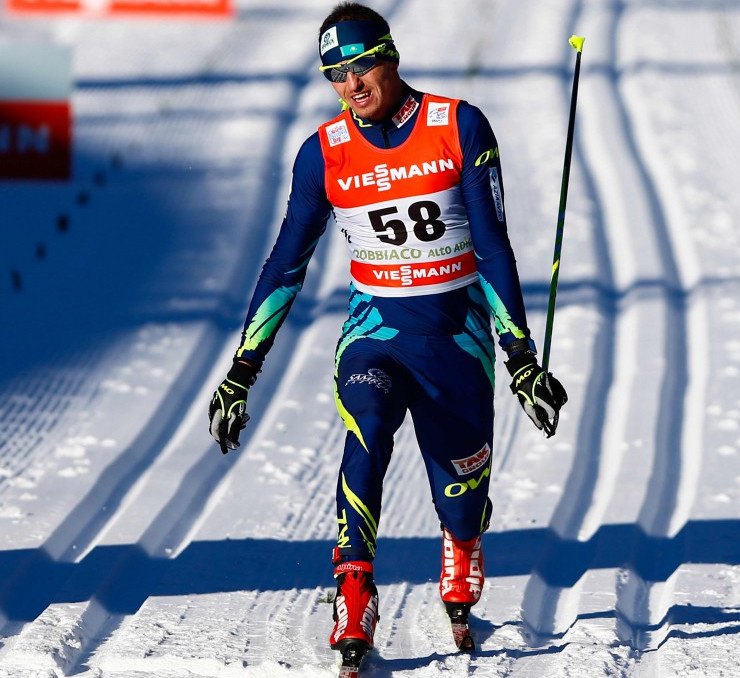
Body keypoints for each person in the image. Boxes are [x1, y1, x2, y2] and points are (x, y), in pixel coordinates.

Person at [206, 1, 567, 659]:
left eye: (361, 65)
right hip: (375, 331)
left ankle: (461, 542)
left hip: (456, 339)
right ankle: (354, 592)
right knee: (366, 425)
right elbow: (286, 263)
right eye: (335, 75)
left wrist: (520, 359)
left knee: (461, 497)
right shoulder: (323, 154)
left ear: (390, 57)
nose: (352, 85)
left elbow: (492, 248)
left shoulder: (458, 125)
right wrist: (241, 372)